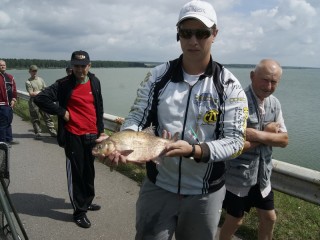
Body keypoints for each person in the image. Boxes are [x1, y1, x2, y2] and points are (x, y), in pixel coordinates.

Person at [94, 1, 248, 239]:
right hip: (159, 185)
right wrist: (125, 141)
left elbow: (236, 141)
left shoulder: (229, 85)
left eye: (202, 33)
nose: (193, 40)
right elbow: (137, 116)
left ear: (214, 34)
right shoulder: (157, 77)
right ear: (178, 34)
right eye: (186, 32)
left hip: (204, 193)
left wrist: (196, 150)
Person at [33, 50, 105, 228]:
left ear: (89, 66)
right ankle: (79, 212)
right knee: (77, 174)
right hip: (74, 136)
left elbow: (99, 108)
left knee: (89, 172)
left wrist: (101, 132)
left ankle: (87, 201)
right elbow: (41, 98)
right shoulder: (63, 84)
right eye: (76, 66)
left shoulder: (95, 81)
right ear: (72, 66)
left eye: (83, 66)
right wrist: (62, 112)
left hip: (92, 135)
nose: (80, 69)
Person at [219, 59, 289, 240]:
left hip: (262, 177)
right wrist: (267, 135)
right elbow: (231, 147)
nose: (268, 86)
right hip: (237, 177)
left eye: (274, 82)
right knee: (235, 220)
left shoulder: (275, 104)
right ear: (252, 76)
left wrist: (256, 135)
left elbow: (284, 140)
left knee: (269, 218)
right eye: (265, 80)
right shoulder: (236, 102)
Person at [25, 65, 57, 138]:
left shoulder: (41, 79)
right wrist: (41, 91)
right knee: (35, 118)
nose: (34, 72)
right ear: (29, 72)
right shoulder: (28, 82)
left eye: (35, 70)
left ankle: (53, 132)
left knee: (47, 116)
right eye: (33, 71)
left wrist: (39, 92)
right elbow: (31, 93)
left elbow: (46, 89)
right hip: (34, 102)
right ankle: (38, 133)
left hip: (43, 100)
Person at [0, 60, 19, 146]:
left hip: (9, 104)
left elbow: (14, 89)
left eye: (4, 65)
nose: (3, 66)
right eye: (1, 65)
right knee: (3, 124)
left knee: (8, 122)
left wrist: (14, 99)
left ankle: (9, 139)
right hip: (1, 104)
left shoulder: (10, 77)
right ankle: (3, 143)